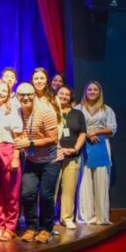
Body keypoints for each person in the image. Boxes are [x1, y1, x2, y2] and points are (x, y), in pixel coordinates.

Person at [14, 83, 60, 244]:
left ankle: (46, 228)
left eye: (29, 94)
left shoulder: (46, 112)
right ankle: (32, 227)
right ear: (17, 96)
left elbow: (54, 139)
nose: (25, 97)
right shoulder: (18, 112)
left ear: (34, 95)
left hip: (50, 161)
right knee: (27, 193)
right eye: (22, 95)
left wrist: (29, 143)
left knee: (46, 195)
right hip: (32, 160)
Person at [75, 81, 117, 225]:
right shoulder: (78, 108)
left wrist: (97, 131)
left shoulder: (107, 109)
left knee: (101, 180)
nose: (92, 92)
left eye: (95, 90)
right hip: (83, 145)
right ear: (85, 91)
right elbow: (74, 127)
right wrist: (87, 134)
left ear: (99, 92)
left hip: (101, 146)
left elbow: (112, 129)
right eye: (89, 89)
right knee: (84, 180)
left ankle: (101, 216)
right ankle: (86, 216)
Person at [0, 81, 23, 241]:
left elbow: (18, 137)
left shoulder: (12, 111)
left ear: (8, 94)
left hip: (8, 150)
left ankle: (10, 227)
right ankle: (1, 225)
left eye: (4, 91)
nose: (0, 93)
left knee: (11, 193)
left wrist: (15, 157)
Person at [56, 85, 87, 230]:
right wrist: (58, 149)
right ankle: (48, 219)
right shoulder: (52, 111)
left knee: (69, 189)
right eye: (61, 93)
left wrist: (74, 149)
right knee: (51, 190)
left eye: (67, 95)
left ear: (71, 97)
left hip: (72, 156)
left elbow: (82, 133)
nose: (63, 96)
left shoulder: (77, 114)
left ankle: (66, 218)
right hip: (54, 155)